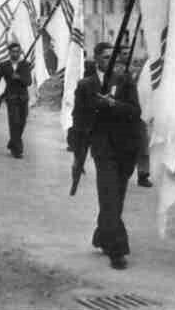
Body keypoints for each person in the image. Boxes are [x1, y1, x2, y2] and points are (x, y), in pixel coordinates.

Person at [71, 41, 142, 269]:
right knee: (109, 196)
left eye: (114, 56)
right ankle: (117, 250)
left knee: (117, 198)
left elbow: (135, 111)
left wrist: (113, 104)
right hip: (102, 149)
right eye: (105, 57)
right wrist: (78, 155)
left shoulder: (126, 81)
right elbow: (78, 122)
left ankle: (102, 234)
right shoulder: (86, 85)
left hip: (126, 148)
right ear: (96, 59)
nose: (111, 61)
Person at [0, 42, 32, 158]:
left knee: (22, 123)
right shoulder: (4, 65)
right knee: (14, 123)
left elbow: (29, 82)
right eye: (13, 52)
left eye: (17, 51)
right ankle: (17, 150)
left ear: (20, 52)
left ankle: (12, 143)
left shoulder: (25, 65)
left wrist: (19, 78)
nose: (15, 54)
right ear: (9, 52)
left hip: (23, 98)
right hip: (11, 98)